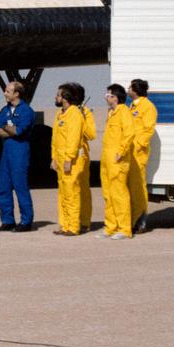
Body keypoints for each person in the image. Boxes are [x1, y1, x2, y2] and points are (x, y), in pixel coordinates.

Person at [0, 81, 36, 232]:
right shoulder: (5, 110)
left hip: (20, 151)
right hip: (6, 152)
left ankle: (26, 221)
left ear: (16, 94)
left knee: (20, 186)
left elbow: (19, 131)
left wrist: (6, 127)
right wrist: (9, 129)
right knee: (4, 186)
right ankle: (7, 220)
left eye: (8, 91)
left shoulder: (26, 111)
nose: (5, 93)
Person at [49, 83, 85, 236]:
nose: (56, 97)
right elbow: (55, 138)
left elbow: (73, 139)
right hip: (60, 158)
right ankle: (64, 224)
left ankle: (73, 226)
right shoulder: (60, 114)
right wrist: (54, 158)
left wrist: (69, 159)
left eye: (58, 95)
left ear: (65, 97)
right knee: (63, 193)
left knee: (71, 193)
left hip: (71, 160)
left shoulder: (74, 114)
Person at [99, 84, 134, 239]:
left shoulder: (123, 112)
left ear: (116, 97)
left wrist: (121, 152)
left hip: (117, 160)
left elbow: (129, 133)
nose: (106, 97)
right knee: (108, 194)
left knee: (119, 194)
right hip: (107, 159)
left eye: (109, 95)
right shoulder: (111, 113)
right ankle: (111, 227)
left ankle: (124, 229)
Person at [128, 78, 157, 233]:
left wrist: (139, 145)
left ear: (135, 90)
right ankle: (132, 220)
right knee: (131, 188)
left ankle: (140, 222)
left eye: (130, 87)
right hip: (129, 152)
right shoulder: (132, 106)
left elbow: (148, 129)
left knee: (138, 187)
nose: (128, 90)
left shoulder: (147, 107)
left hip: (138, 153)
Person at [71, 83, 95, 234]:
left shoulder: (85, 112)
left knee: (83, 189)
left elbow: (91, 134)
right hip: (66, 154)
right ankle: (70, 222)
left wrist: (83, 118)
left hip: (81, 154)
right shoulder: (64, 112)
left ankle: (85, 221)